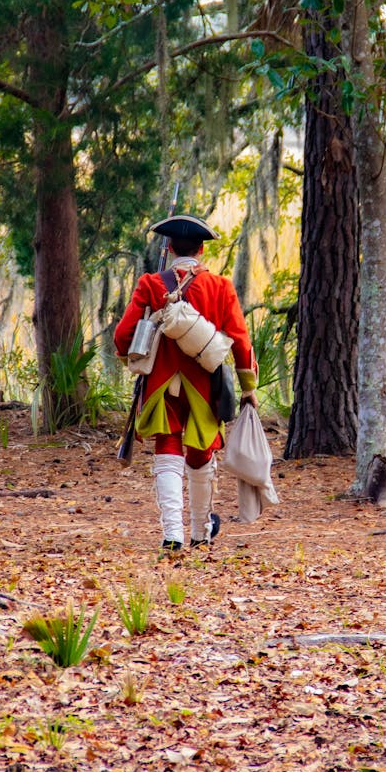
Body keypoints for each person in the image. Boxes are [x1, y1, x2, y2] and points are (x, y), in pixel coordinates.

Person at [114, 213, 258, 553]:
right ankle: (200, 531)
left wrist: (129, 357)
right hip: (204, 384)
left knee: (167, 448)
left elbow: (123, 336)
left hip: (161, 382)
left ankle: (172, 535)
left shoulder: (151, 283)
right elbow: (239, 339)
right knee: (200, 453)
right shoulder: (220, 286)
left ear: (170, 247)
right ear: (202, 249)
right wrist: (248, 387)